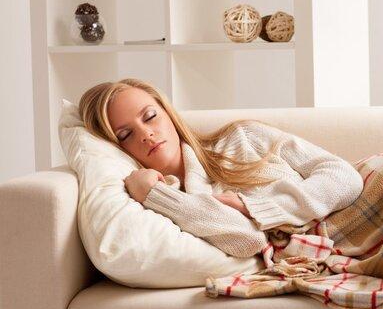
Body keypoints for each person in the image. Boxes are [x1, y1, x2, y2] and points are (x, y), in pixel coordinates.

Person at [78, 78, 364, 258]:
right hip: (344, 247)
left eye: (150, 116)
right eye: (125, 134)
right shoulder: (166, 201)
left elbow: (344, 177)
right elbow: (247, 240)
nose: (146, 134)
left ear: (169, 113)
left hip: (370, 200)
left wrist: (255, 207)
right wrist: (157, 196)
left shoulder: (243, 137)